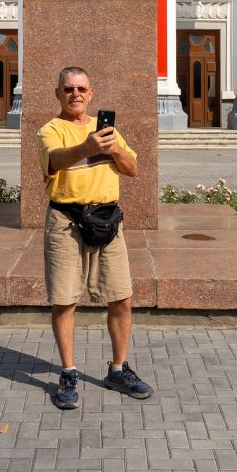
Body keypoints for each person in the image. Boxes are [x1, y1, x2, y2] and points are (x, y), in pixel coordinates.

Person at [37, 66, 153, 410]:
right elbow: (54, 160)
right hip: (66, 222)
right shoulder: (50, 130)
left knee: (122, 298)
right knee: (64, 300)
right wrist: (86, 146)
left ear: (91, 94)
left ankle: (118, 369)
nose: (75, 94)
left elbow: (132, 168)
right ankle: (69, 372)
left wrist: (113, 148)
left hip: (106, 221)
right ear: (58, 93)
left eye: (81, 89)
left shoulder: (108, 130)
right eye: (69, 89)